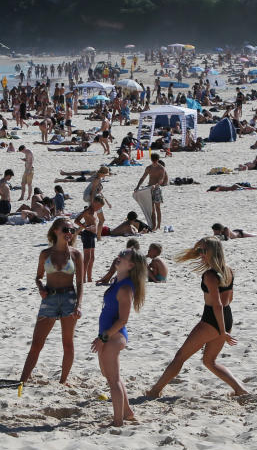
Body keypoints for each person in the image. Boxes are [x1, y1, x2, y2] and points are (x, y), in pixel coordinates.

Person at [147, 237, 248, 398]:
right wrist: (224, 328)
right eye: (199, 250)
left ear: (212, 252)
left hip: (212, 319)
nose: (200, 254)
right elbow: (229, 299)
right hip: (227, 316)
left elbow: (217, 305)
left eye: (203, 251)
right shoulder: (228, 270)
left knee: (180, 357)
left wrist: (222, 332)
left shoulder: (209, 275)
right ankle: (240, 389)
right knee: (209, 361)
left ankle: (154, 391)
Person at [19, 218, 85, 385]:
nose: (69, 233)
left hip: (69, 298)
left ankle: (63, 381)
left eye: (71, 230)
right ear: (56, 230)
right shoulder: (45, 254)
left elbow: (80, 282)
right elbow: (38, 277)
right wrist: (40, 288)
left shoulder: (76, 254)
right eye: (65, 229)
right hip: (50, 298)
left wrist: (79, 305)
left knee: (68, 343)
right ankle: (22, 380)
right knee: (36, 344)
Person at [91, 247, 147, 427]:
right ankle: (128, 413)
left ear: (131, 265)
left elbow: (123, 320)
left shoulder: (124, 288)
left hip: (113, 336)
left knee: (113, 380)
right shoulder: (117, 281)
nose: (119, 256)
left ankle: (117, 422)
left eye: (123, 256)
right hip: (109, 334)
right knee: (111, 376)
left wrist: (103, 337)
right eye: (120, 253)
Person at [74, 194, 106, 283]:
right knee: (87, 258)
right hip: (87, 235)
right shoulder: (87, 210)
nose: (99, 208)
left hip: (92, 235)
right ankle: (83, 278)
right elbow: (76, 220)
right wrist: (85, 227)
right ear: (94, 202)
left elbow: (100, 220)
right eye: (98, 206)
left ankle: (89, 277)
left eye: (100, 207)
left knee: (92, 258)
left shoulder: (95, 210)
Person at [134, 151, 168, 230]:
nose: (154, 162)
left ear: (158, 160)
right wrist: (137, 186)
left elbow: (161, 180)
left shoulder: (161, 168)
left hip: (156, 189)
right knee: (151, 208)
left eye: (155, 160)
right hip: (149, 188)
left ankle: (158, 226)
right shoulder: (149, 168)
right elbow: (143, 178)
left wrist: (155, 185)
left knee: (158, 208)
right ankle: (153, 225)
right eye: (153, 160)